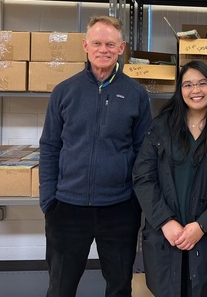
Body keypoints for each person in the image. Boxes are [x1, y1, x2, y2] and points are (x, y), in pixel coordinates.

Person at [39, 15, 152, 297]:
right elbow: (50, 146)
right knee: (61, 287)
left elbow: (143, 153)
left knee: (118, 286)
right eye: (98, 43)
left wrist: (135, 202)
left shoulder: (136, 94)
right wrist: (48, 201)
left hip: (119, 208)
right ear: (85, 45)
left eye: (111, 44)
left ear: (121, 47)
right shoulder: (64, 92)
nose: (104, 49)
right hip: (67, 207)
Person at [132, 60, 207, 297]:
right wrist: (165, 222)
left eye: (202, 83)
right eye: (188, 84)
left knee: (203, 289)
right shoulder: (160, 128)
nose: (196, 90)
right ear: (180, 90)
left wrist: (202, 226)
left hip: (206, 238)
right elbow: (143, 178)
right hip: (165, 235)